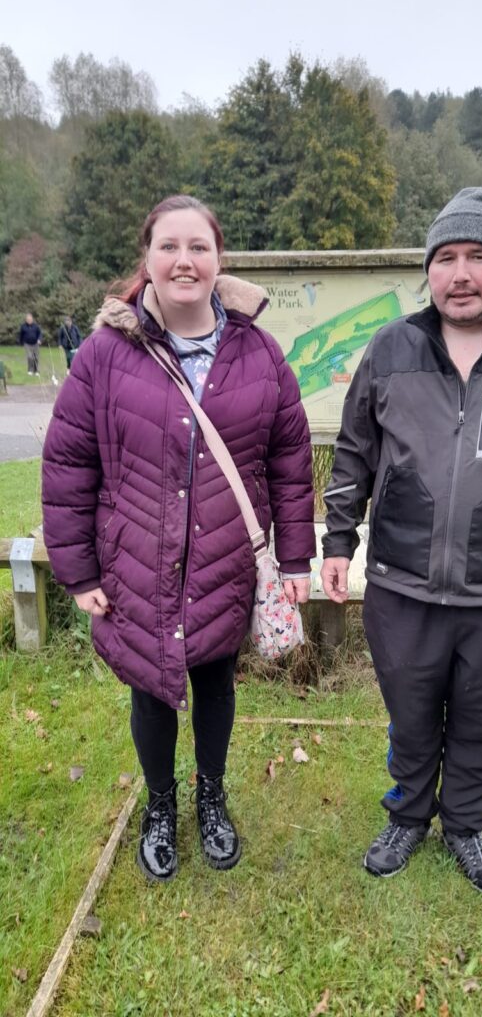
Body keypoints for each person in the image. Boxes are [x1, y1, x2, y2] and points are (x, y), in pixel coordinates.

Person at [42, 194, 315, 883]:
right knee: (150, 688)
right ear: (149, 259)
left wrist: (294, 560)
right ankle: (160, 805)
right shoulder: (106, 354)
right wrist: (77, 572)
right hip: (137, 563)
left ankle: (211, 797)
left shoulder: (259, 353)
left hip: (225, 562)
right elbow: (70, 461)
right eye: (169, 246)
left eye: (198, 246)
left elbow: (289, 458)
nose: (183, 260)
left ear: (219, 259)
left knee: (216, 682)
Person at [321, 187, 482, 896]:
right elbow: (354, 453)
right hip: (403, 582)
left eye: (480, 256)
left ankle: (464, 826)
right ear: (430, 269)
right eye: (447, 258)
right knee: (410, 709)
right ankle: (407, 813)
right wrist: (338, 542)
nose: (461, 273)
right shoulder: (391, 346)